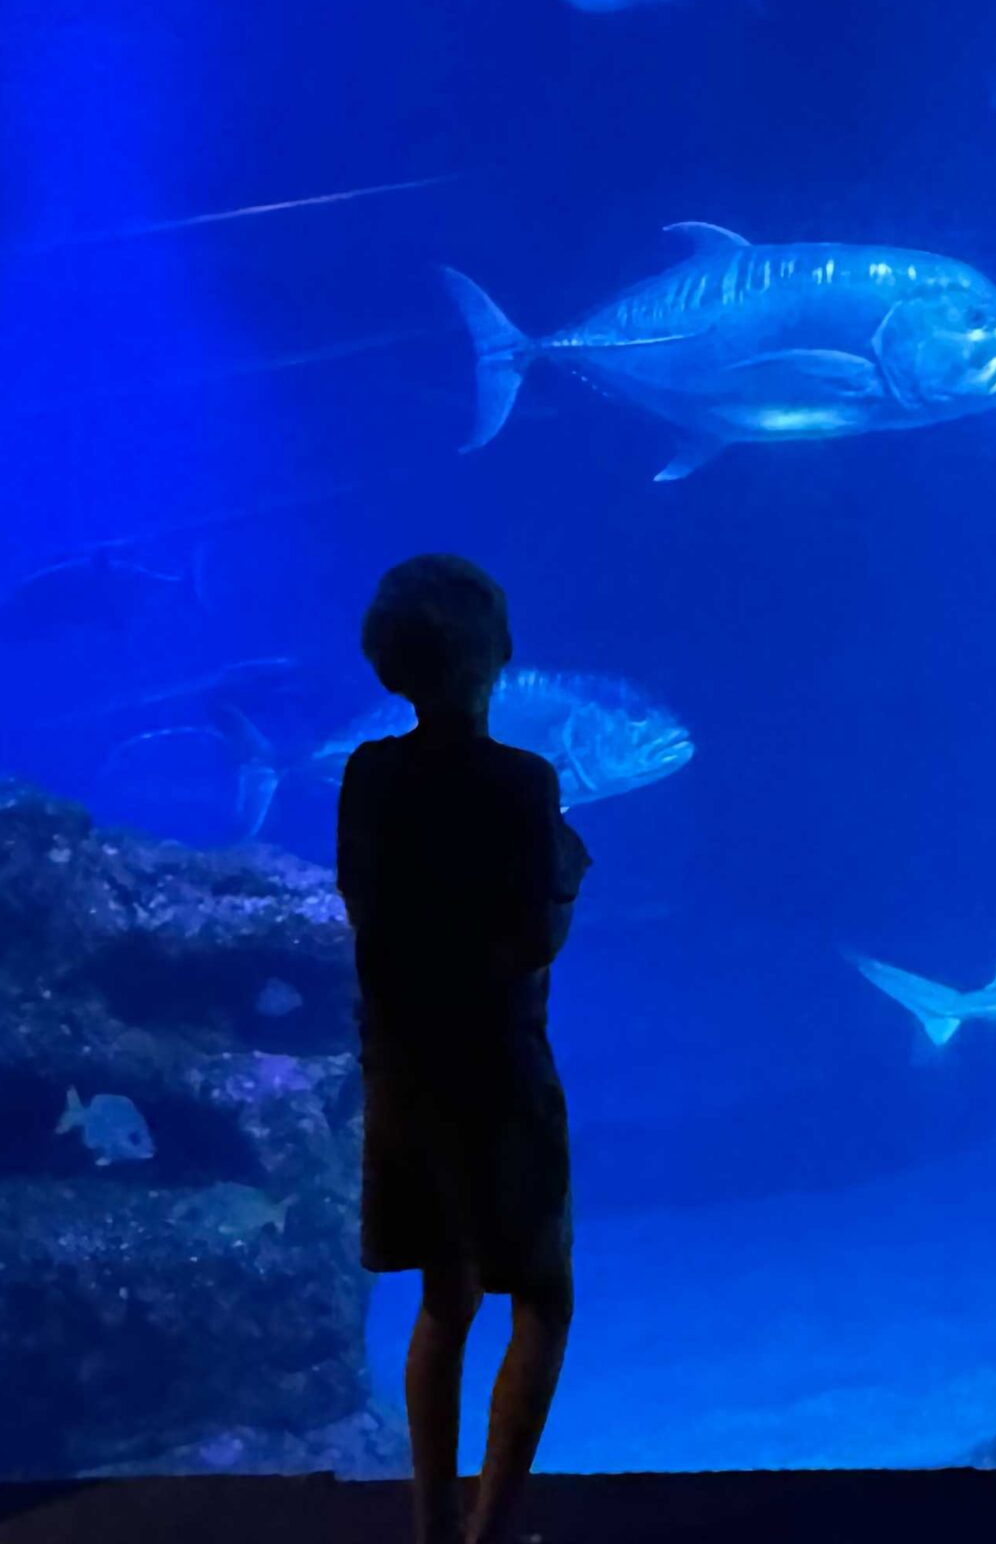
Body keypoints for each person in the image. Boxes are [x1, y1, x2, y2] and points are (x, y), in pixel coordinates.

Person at [338, 555, 591, 1544]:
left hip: (404, 1074)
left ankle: (432, 1530)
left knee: (446, 1296)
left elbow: (369, 916)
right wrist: (567, 867)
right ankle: (489, 1532)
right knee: (543, 1293)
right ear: (501, 658)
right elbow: (532, 937)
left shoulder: (366, 776)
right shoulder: (524, 783)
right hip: (501, 1075)